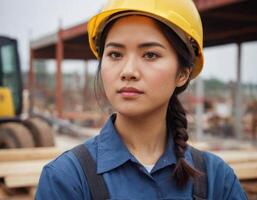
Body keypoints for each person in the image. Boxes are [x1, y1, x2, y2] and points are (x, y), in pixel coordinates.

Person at [35, 0, 247, 199]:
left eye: (150, 55)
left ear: (183, 72)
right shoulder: (67, 179)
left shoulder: (216, 180)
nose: (128, 71)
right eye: (115, 54)